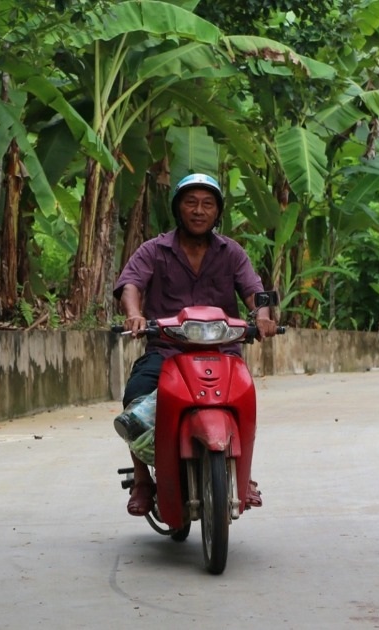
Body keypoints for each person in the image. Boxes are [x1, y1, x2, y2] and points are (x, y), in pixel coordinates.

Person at [112, 173, 278, 517]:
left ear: (218, 212)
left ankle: (242, 476)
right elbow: (130, 284)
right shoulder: (154, 250)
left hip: (223, 352)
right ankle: (143, 480)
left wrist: (261, 315)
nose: (199, 211)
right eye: (191, 203)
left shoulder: (231, 252)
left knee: (245, 399)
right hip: (167, 351)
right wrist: (134, 315)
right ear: (178, 208)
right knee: (136, 397)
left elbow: (253, 290)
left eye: (207, 204)